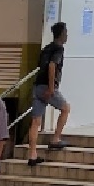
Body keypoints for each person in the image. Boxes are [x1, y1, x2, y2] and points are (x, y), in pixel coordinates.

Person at [27, 21, 70, 166]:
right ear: (62, 34)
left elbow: (41, 66)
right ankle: (55, 139)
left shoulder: (46, 48)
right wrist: (51, 88)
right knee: (65, 108)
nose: (67, 35)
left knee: (35, 122)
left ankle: (32, 155)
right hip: (47, 87)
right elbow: (52, 66)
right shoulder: (59, 49)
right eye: (66, 32)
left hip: (37, 85)